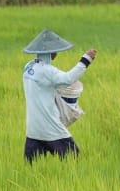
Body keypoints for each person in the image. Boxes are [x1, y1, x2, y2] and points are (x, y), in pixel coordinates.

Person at [21, 29, 98, 163]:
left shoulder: (28, 67)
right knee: (74, 160)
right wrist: (86, 60)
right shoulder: (48, 71)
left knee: (32, 169)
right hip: (51, 129)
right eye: (55, 51)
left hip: (33, 130)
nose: (57, 54)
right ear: (50, 53)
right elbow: (68, 79)